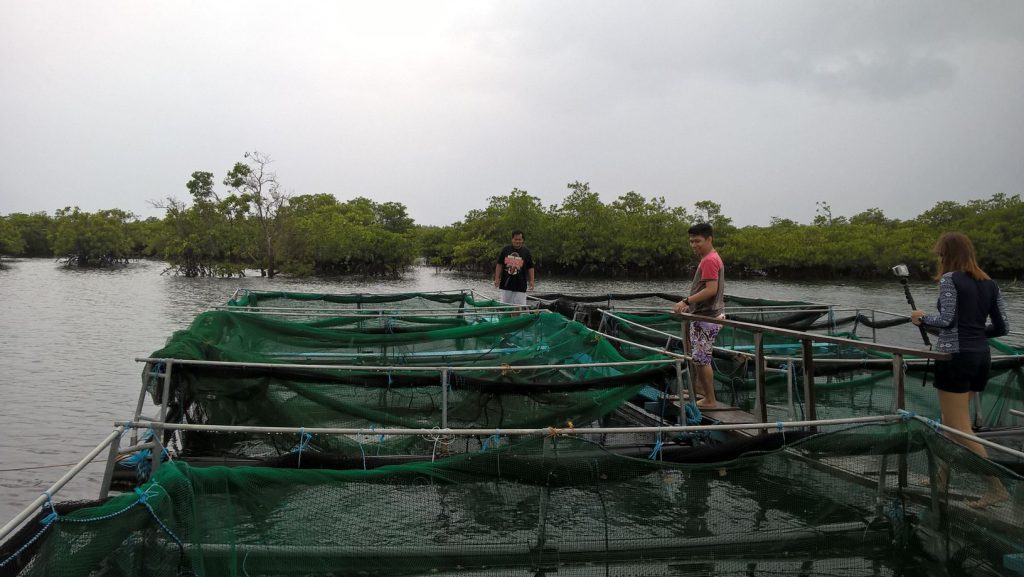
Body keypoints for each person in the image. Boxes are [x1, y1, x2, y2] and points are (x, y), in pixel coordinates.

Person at [911, 231, 1010, 509]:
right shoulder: (989, 282)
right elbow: (1003, 327)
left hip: (955, 358)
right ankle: (940, 479)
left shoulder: (949, 279)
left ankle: (996, 487)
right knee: (949, 423)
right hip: (980, 357)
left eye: (940, 254)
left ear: (948, 254)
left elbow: (945, 319)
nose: (939, 259)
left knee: (958, 427)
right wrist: (974, 333)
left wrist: (920, 319)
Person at [672, 223, 725, 408]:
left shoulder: (709, 260)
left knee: (702, 359)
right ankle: (701, 391)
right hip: (704, 315)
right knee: (698, 357)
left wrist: (685, 301)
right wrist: (692, 306)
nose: (694, 245)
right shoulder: (710, 258)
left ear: (709, 239)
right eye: (691, 241)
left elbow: (711, 290)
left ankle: (710, 400)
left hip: (707, 318)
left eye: (698, 241)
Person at [494, 230, 535, 306]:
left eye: (519, 239)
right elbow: (499, 264)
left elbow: (531, 267)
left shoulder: (526, 252)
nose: (517, 241)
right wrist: (497, 278)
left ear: (522, 240)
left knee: (519, 308)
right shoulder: (505, 249)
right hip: (506, 284)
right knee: (504, 306)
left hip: (521, 285)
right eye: (515, 239)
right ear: (512, 239)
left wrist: (532, 281)